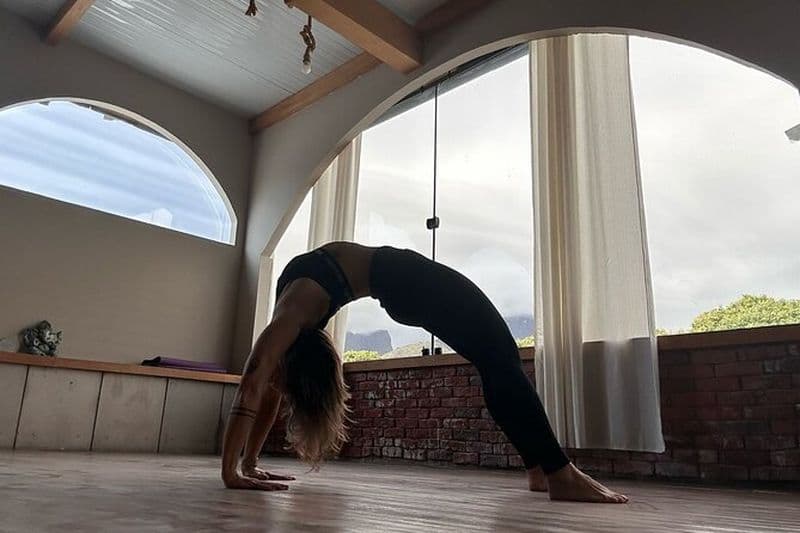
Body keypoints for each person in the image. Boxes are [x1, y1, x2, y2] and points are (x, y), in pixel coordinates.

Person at [221, 242, 628, 503]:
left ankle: (541, 469)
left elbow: (257, 382)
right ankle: (557, 472)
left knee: (498, 357)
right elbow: (263, 387)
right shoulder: (293, 322)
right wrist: (242, 467)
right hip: (402, 277)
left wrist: (236, 469)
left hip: (399, 281)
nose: (278, 388)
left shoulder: (288, 323)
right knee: (499, 355)